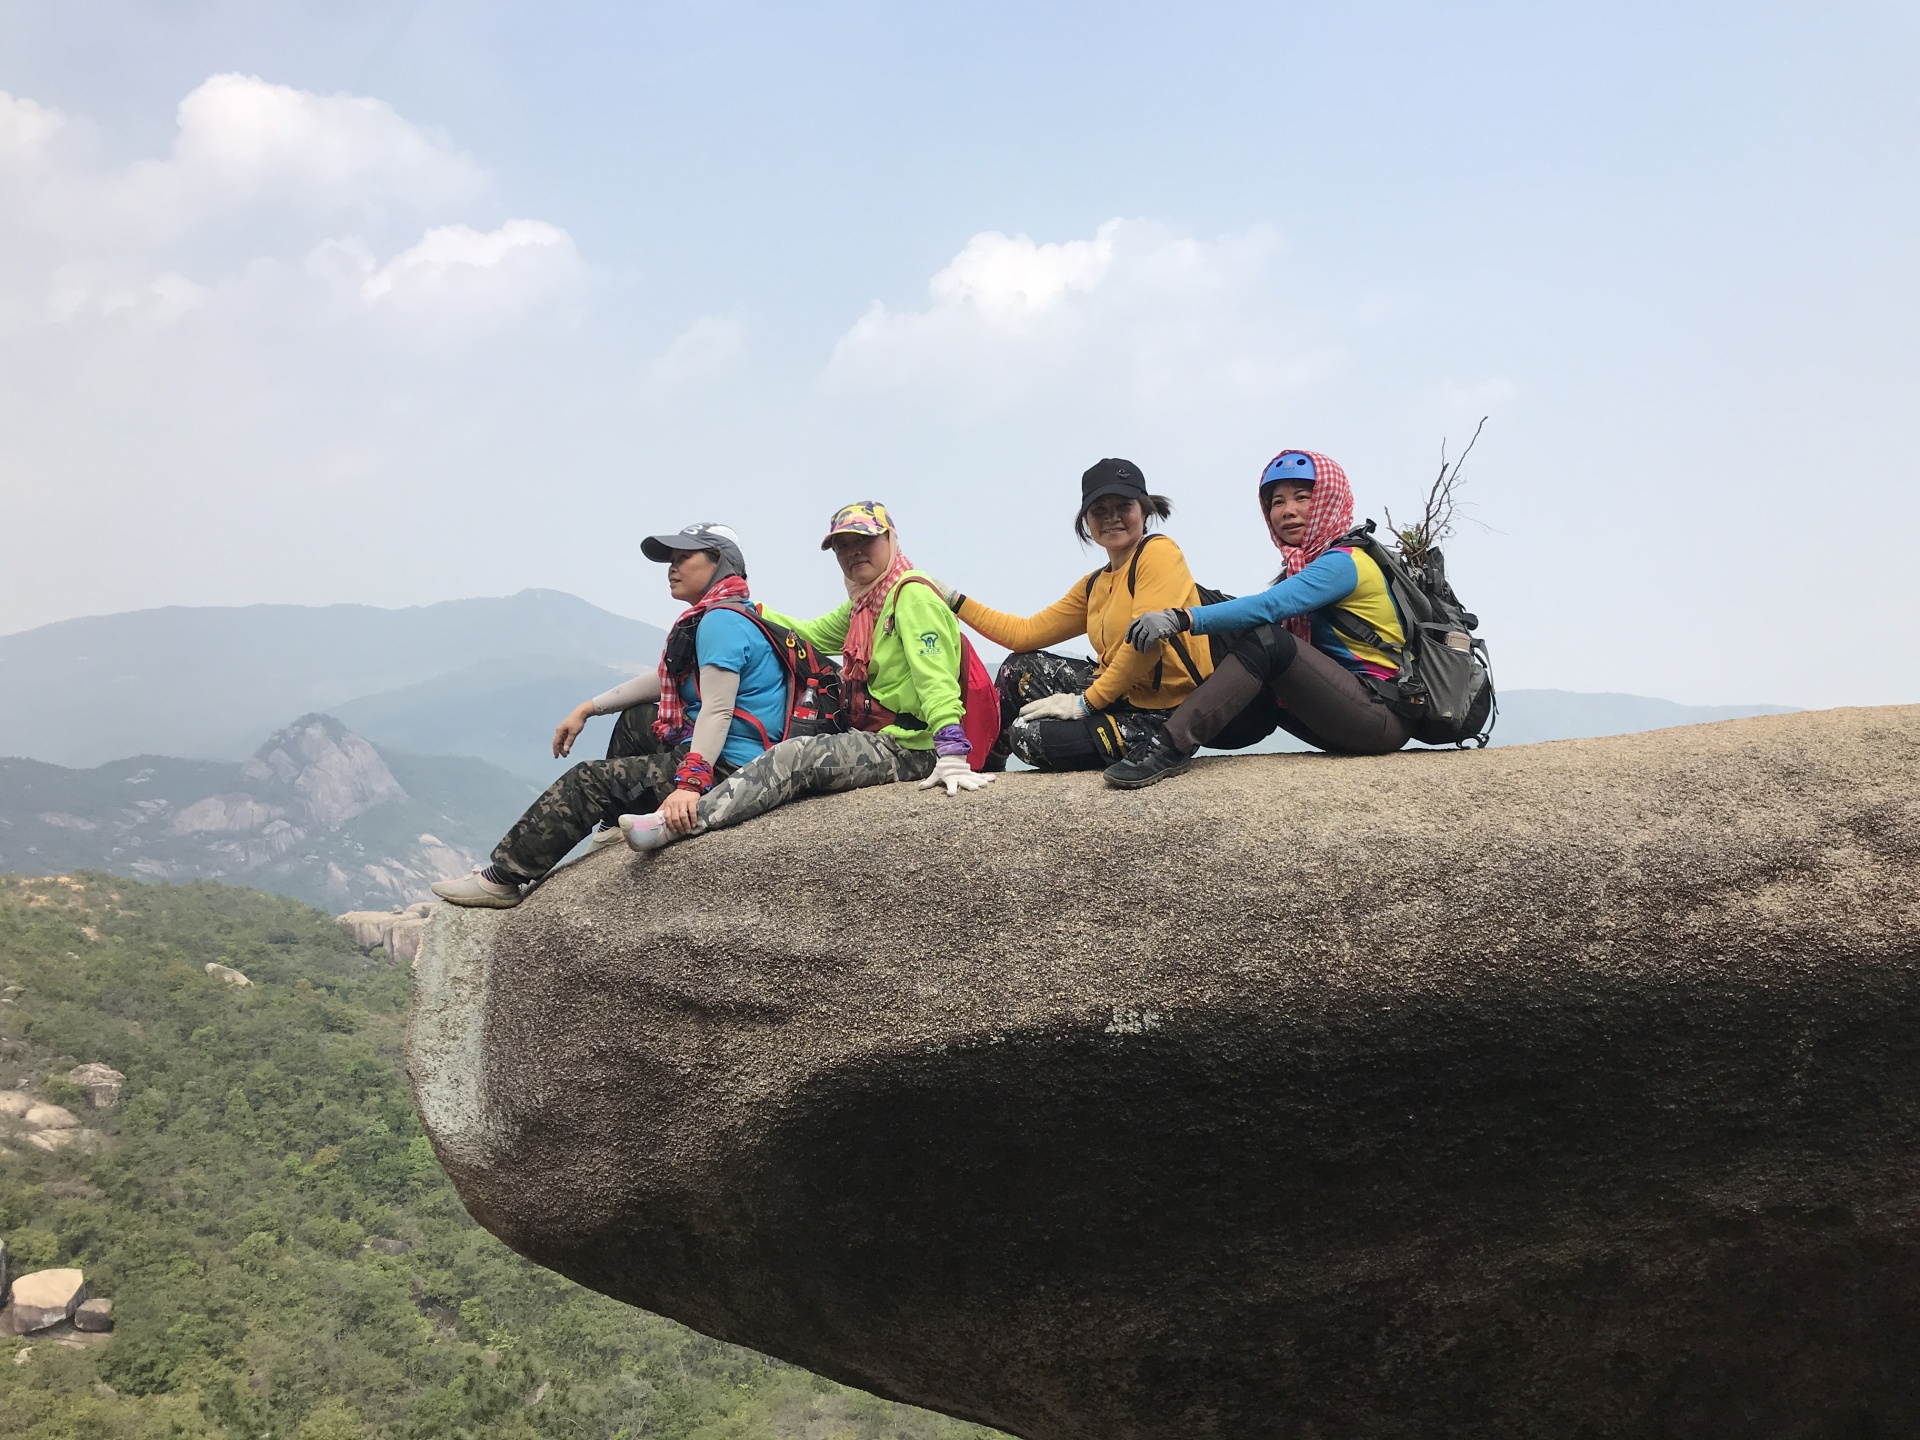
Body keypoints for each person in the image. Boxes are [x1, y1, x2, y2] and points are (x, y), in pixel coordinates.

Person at [432, 522, 787, 905]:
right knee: (639, 719)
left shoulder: (721, 622)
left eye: (685, 557)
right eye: (672, 558)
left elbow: (717, 710)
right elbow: (667, 679)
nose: (672, 567)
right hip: (728, 752)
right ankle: (611, 828)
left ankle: (501, 880)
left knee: (588, 781)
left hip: (728, 768)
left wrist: (689, 785)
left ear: (721, 563)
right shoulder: (727, 612)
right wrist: (589, 708)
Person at [621, 500, 993, 851]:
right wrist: (744, 610)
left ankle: (679, 824)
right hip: (880, 734)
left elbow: (935, 678)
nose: (853, 552)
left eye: (864, 540)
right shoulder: (865, 604)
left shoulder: (912, 597)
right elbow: (808, 635)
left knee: (794, 757)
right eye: (842, 546)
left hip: (915, 747)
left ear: (891, 540)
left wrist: (951, 752)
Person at [1103, 449, 1413, 788]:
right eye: (1277, 502)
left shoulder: (1346, 562)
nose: (1287, 511)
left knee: (1267, 639)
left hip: (1378, 715)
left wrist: (1182, 618)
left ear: (1330, 500)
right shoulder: (1302, 567)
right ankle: (1150, 718)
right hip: (1335, 710)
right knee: (1219, 612)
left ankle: (1170, 745)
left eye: (1302, 497)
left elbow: (1269, 607)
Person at [928, 458, 1214, 771]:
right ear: (1086, 521)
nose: (1112, 517)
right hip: (1119, 695)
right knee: (1016, 670)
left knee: (1027, 735)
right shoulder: (1095, 584)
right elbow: (1025, 634)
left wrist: (1084, 703)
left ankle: (1150, 747)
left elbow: (1146, 647)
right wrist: (954, 599)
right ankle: (987, 767)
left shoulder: (1159, 553)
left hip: (1163, 714)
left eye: (1124, 506)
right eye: (1099, 510)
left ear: (1144, 510)